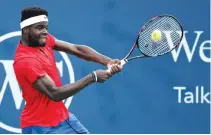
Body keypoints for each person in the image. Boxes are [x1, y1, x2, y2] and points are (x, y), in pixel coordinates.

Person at [13, 7, 122, 134]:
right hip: (42, 127)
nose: (45, 32)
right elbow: (55, 93)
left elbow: (76, 49)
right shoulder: (26, 61)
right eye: (39, 28)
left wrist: (107, 61)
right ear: (26, 30)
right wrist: (93, 77)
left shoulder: (44, 40)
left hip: (63, 118)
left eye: (46, 28)